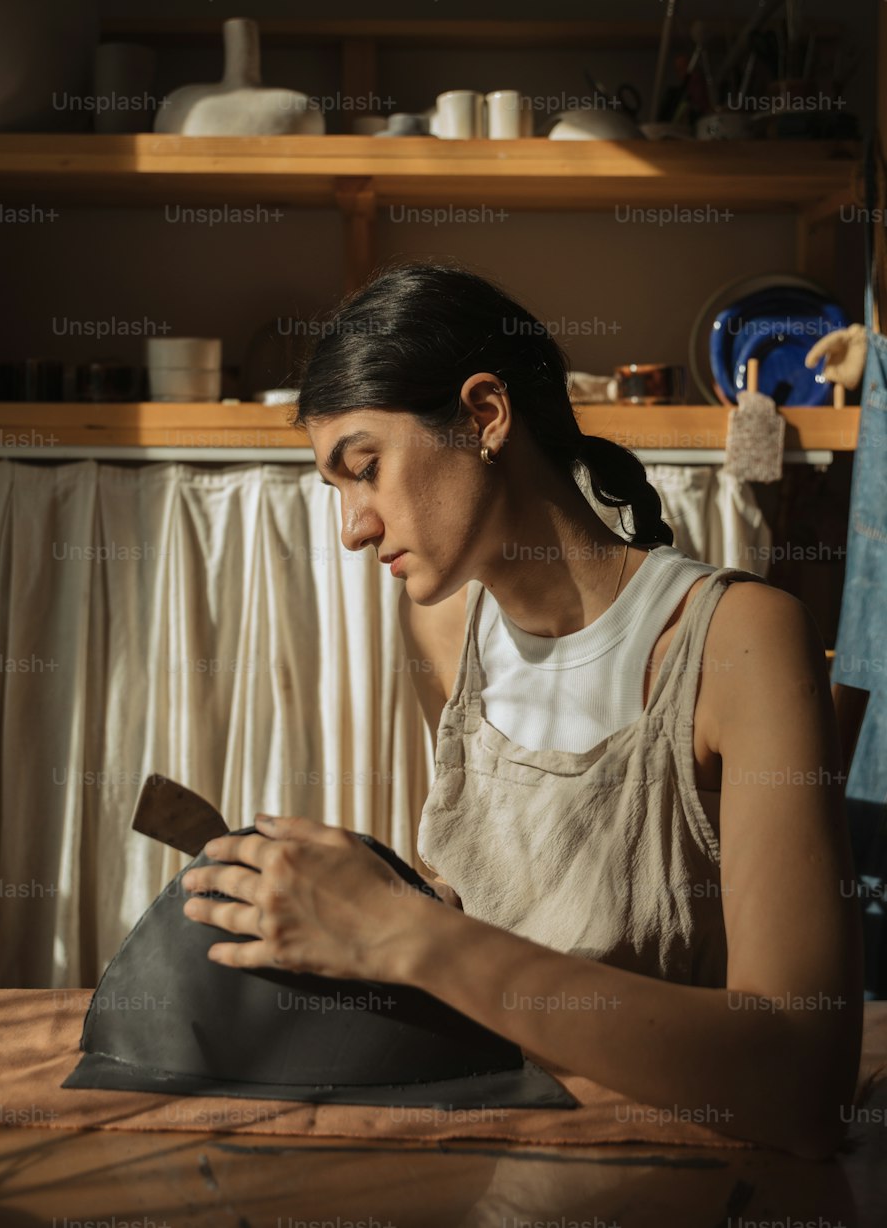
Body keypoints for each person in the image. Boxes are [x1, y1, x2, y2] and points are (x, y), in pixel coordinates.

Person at [183, 261, 863, 1159]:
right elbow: (505, 913)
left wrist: (405, 933)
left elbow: (802, 1082)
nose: (352, 526)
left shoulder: (739, 643)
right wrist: (377, 906)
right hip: (488, 1154)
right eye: (337, 491)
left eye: (366, 469)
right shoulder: (443, 630)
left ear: (484, 417)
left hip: (678, 1179)